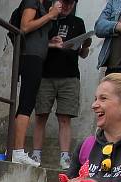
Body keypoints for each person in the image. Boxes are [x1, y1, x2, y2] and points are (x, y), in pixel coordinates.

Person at [31, 0, 91, 170]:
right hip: (45, 74)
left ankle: (65, 157)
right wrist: (51, 43)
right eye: (65, 3)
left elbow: (84, 54)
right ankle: (36, 154)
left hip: (70, 76)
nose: (67, 6)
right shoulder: (46, 19)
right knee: (40, 116)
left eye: (71, 4)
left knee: (65, 118)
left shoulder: (78, 22)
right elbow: (34, 42)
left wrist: (85, 46)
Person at [10, 0, 62, 167]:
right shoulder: (32, 2)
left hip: (35, 56)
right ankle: (17, 151)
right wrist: (50, 15)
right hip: (29, 57)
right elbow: (25, 27)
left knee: (27, 102)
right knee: (26, 103)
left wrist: (50, 44)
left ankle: (14, 150)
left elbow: (34, 35)